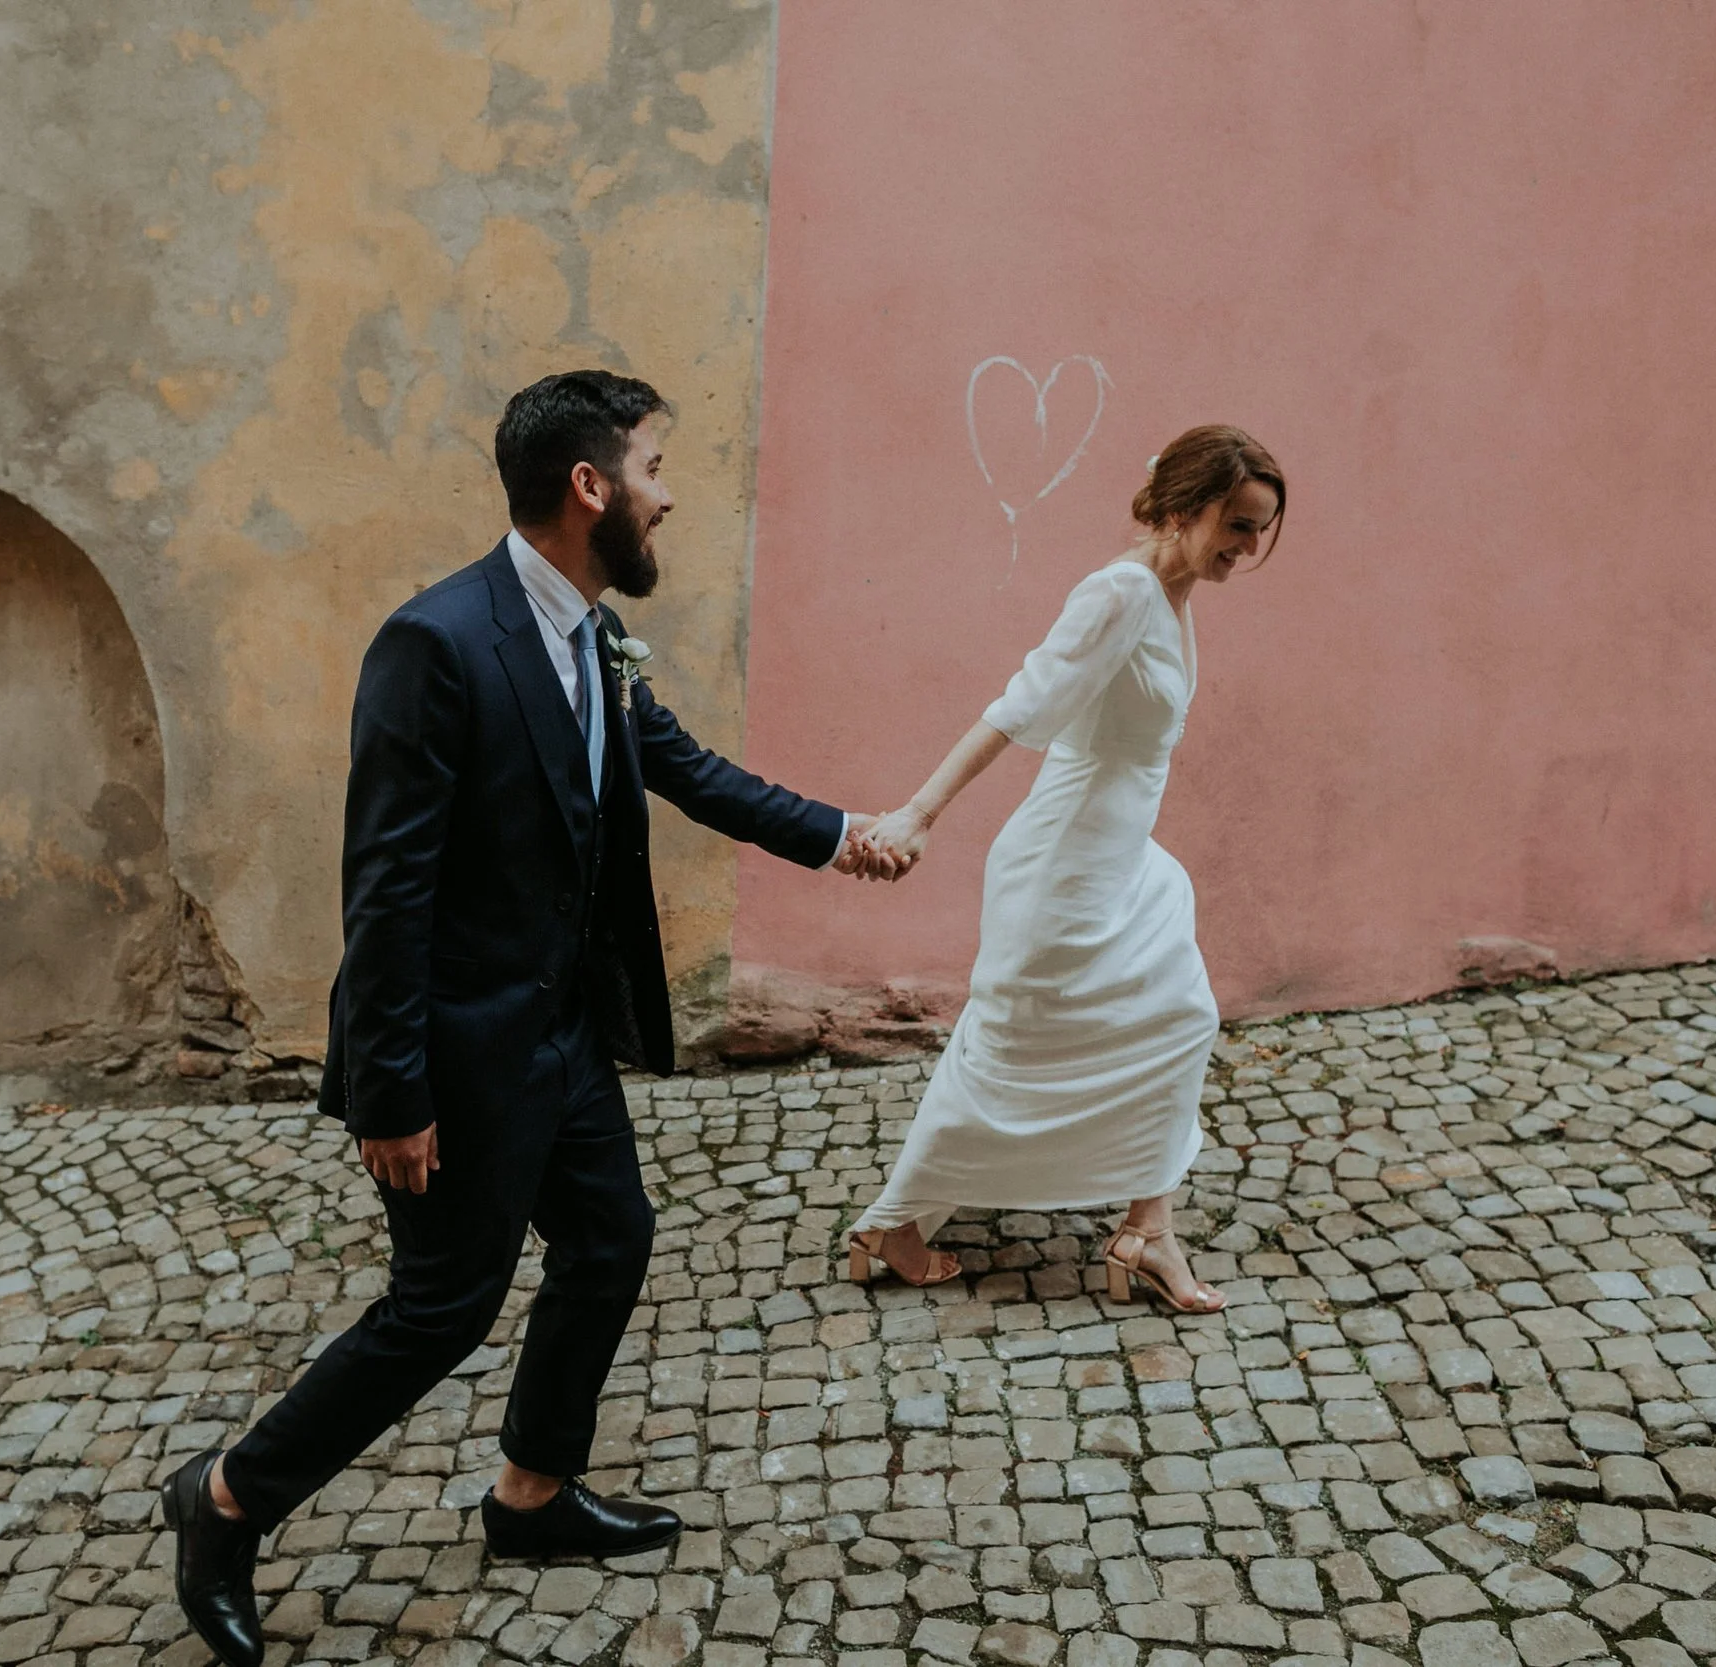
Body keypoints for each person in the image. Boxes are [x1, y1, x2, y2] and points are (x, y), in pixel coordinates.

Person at [161, 370, 901, 1667]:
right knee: (440, 1308)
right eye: (656, 466)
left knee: (611, 1236)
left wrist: (845, 836)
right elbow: (385, 887)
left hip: (561, 1036)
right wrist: (388, 1092)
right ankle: (224, 1499)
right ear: (589, 485)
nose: (670, 494)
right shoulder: (439, 643)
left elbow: (687, 770)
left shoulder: (595, 636)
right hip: (453, 1050)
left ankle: (534, 1493)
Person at [847, 426, 1286, 1312]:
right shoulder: (1121, 594)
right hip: (1065, 863)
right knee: (1010, 1046)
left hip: (1125, 862)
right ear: (1186, 504)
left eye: (1259, 531)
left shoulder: (1171, 593)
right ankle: (892, 1224)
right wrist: (918, 814)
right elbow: (1016, 710)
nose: (1247, 548)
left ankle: (1146, 1227)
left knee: (1179, 1018)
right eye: (1237, 524)